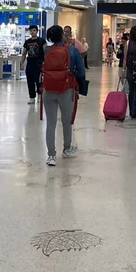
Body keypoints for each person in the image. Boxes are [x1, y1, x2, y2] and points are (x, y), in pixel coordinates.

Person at [41, 25, 85, 166]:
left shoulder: (46, 50)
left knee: (51, 123)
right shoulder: (72, 50)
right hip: (66, 89)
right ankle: (66, 149)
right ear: (62, 35)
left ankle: (51, 156)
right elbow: (81, 72)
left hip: (49, 90)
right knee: (66, 121)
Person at [22, 25, 46, 105]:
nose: (32, 32)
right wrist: (22, 63)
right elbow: (24, 53)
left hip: (39, 64)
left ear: (37, 31)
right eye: (31, 31)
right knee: (30, 81)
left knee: (38, 80)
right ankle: (32, 97)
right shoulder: (27, 42)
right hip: (30, 64)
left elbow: (46, 53)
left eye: (34, 30)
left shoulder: (42, 41)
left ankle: (40, 95)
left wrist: (46, 63)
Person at [124, 26, 136, 119]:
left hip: (130, 70)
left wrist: (123, 70)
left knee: (132, 90)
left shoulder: (128, 43)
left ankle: (132, 111)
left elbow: (125, 58)